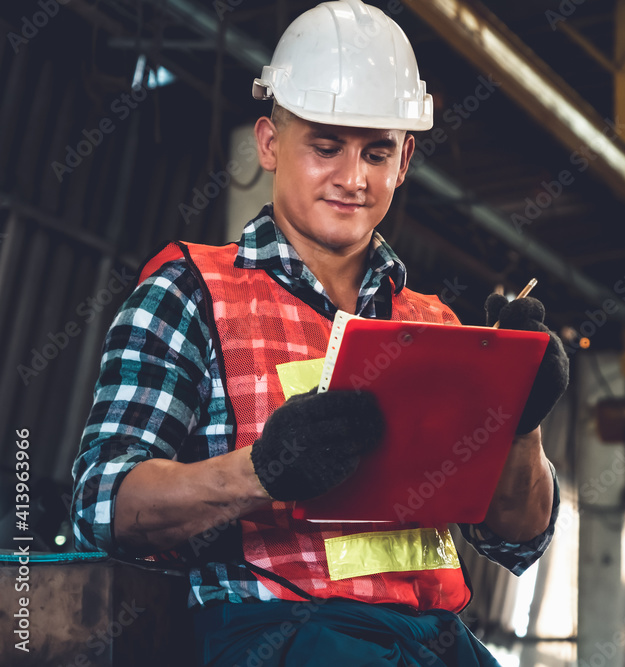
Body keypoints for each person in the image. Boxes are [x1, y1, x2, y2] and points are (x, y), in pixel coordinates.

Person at [70, 1, 569, 665]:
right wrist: (260, 473)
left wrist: (521, 424)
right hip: (281, 637)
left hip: (436, 644)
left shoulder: (436, 326)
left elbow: (517, 537)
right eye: (326, 146)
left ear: (406, 158)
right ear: (270, 144)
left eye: (377, 152)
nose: (353, 177)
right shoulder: (191, 293)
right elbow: (104, 499)